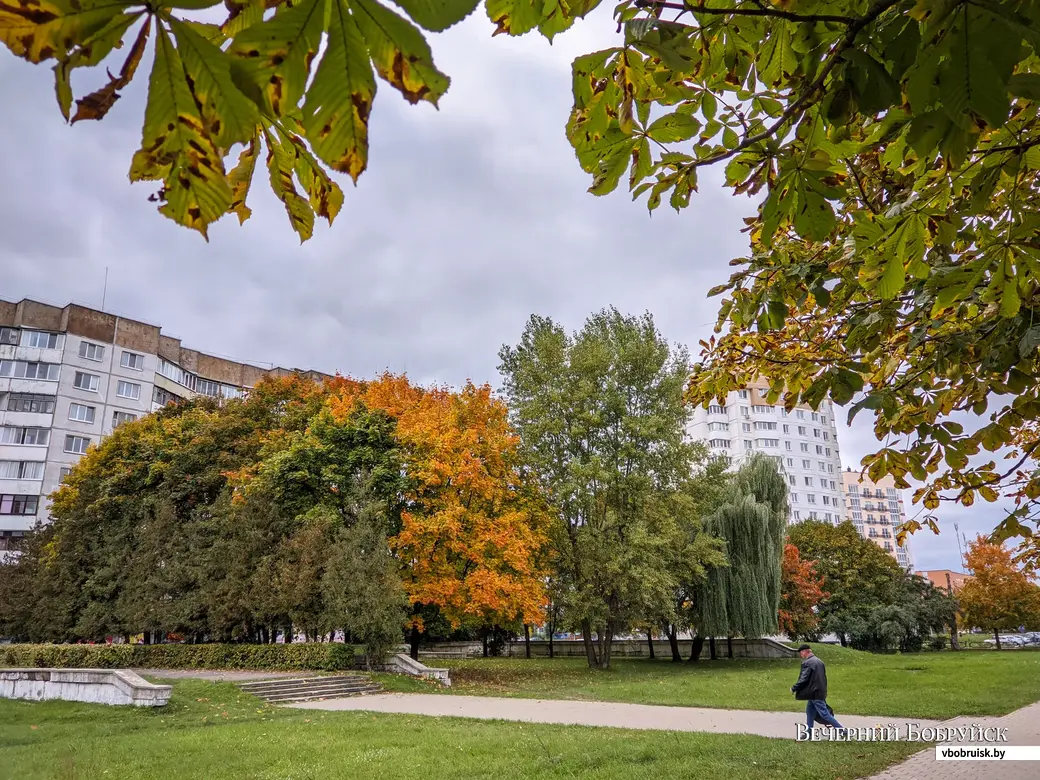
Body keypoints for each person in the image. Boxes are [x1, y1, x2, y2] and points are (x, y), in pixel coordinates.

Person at [791, 643, 844, 734]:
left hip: (814, 693)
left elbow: (804, 679)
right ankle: (809, 733)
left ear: (805, 651)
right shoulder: (820, 661)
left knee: (824, 714)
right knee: (810, 713)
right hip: (818, 692)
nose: (800, 655)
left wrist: (794, 688)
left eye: (801, 652)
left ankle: (843, 731)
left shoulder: (807, 663)